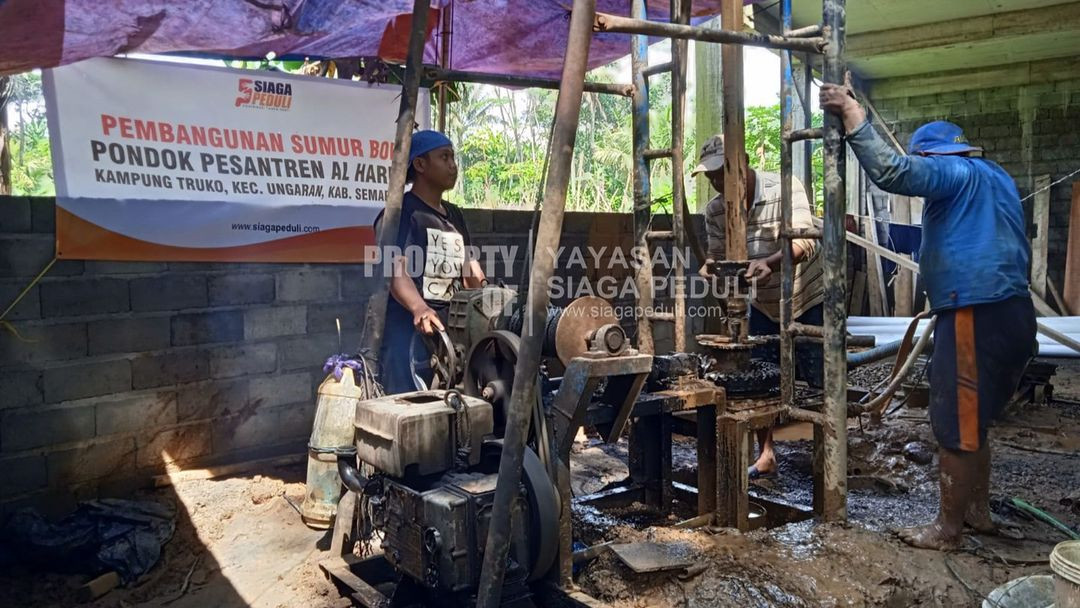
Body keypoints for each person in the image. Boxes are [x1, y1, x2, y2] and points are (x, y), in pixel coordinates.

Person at [821, 77, 1035, 550]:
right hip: (1015, 314)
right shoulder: (996, 177)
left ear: (935, 157)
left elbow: (895, 173)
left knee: (955, 425)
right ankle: (976, 513)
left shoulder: (954, 174)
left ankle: (947, 531)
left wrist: (853, 114)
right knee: (975, 421)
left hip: (972, 312)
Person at [694, 134, 824, 479]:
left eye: (722, 173)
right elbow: (718, 254)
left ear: (744, 160)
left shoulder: (784, 187)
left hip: (806, 297)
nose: (717, 183)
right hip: (764, 305)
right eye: (710, 177)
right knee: (759, 380)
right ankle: (766, 454)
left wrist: (770, 262)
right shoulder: (716, 210)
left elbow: (806, 241)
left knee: (818, 380)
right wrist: (711, 267)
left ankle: (827, 459)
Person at [375, 130, 486, 394]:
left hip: (453, 330)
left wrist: (488, 295)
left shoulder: (454, 215)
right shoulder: (401, 213)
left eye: (453, 157)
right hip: (410, 334)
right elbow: (394, 267)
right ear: (420, 164)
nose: (453, 165)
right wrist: (419, 308)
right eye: (444, 157)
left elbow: (469, 265)